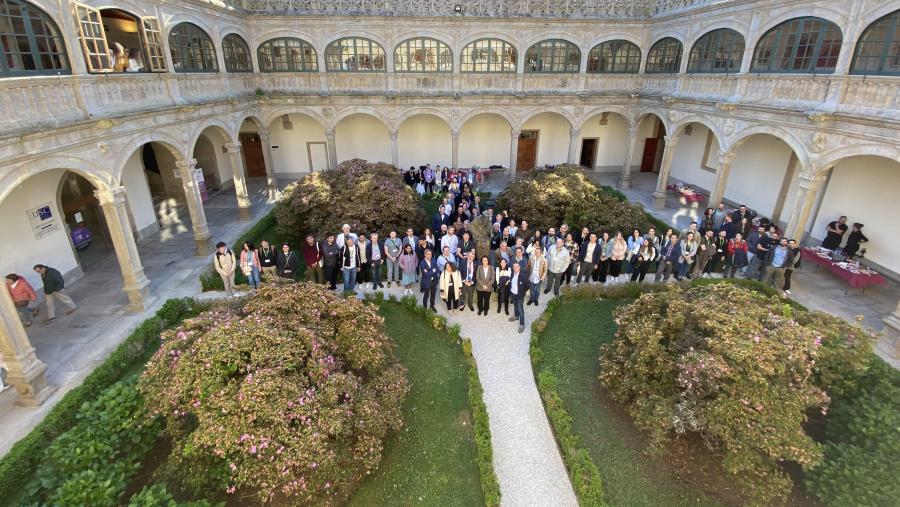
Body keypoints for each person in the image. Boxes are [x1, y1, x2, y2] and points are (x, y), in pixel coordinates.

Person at [509, 262, 527, 333]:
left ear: (519, 267)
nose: (515, 268)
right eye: (514, 266)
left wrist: (522, 294)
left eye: (517, 266)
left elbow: (527, 286)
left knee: (520, 309)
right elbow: (511, 283)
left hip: (520, 296)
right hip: (513, 295)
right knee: (515, 306)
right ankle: (516, 317)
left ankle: (522, 324)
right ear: (513, 268)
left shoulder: (523, 276)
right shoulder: (512, 274)